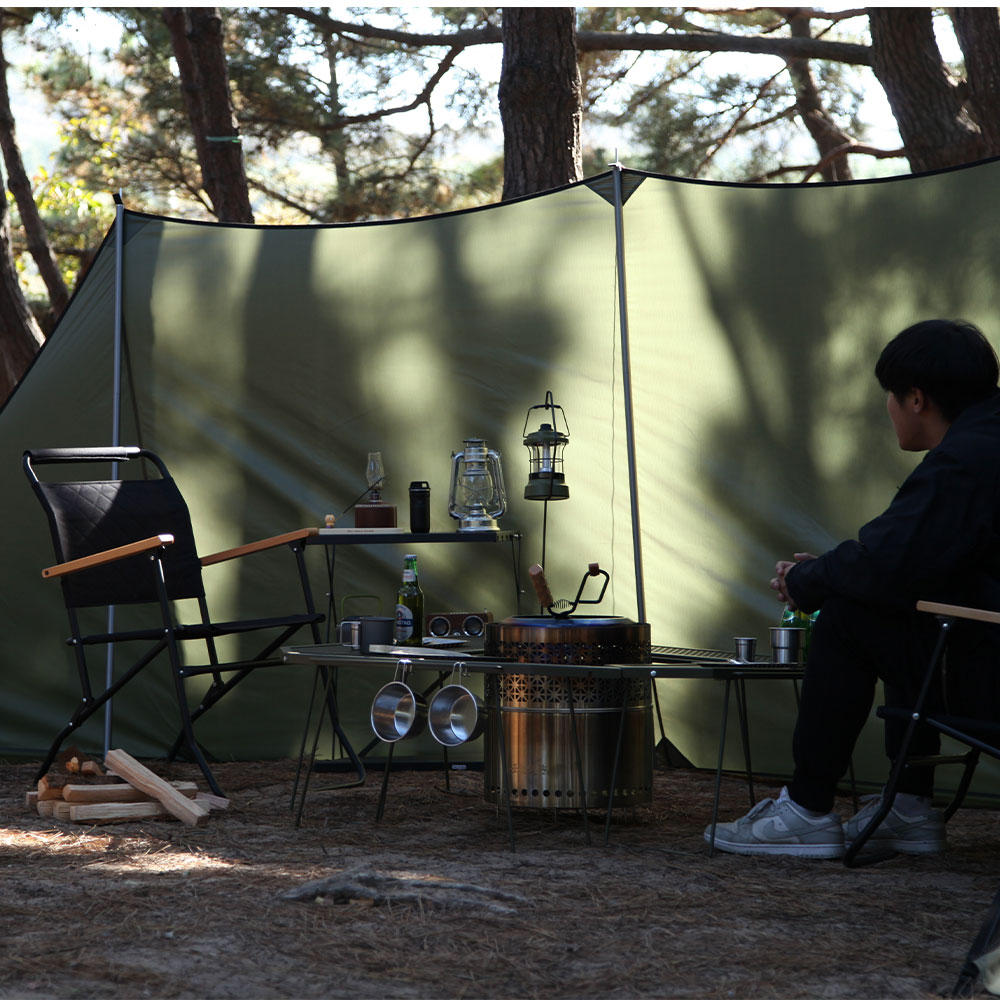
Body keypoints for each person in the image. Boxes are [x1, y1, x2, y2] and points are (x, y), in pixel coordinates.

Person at [708, 318, 1000, 859]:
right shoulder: (986, 441)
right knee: (895, 604)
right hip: (979, 646)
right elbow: (910, 558)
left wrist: (807, 580)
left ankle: (807, 810)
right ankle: (907, 807)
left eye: (890, 395)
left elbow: (886, 562)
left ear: (916, 398)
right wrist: (829, 571)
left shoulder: (966, 462)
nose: (888, 408)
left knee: (850, 614)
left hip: (988, 675)